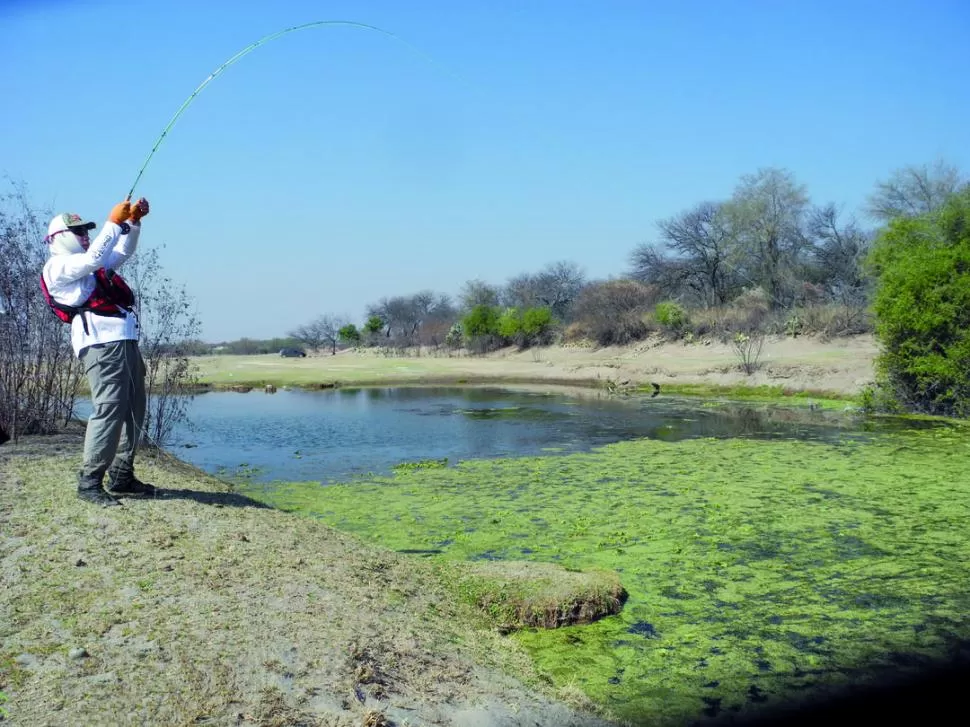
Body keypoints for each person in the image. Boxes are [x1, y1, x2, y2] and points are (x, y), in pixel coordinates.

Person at [41, 198, 154, 506]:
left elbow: (122, 252)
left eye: (86, 230)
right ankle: (89, 481)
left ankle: (122, 474)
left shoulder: (90, 262)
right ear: (58, 237)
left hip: (124, 341)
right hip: (101, 346)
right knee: (109, 409)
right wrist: (113, 223)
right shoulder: (58, 266)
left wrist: (133, 224)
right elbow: (93, 258)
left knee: (134, 407)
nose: (84, 234)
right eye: (77, 231)